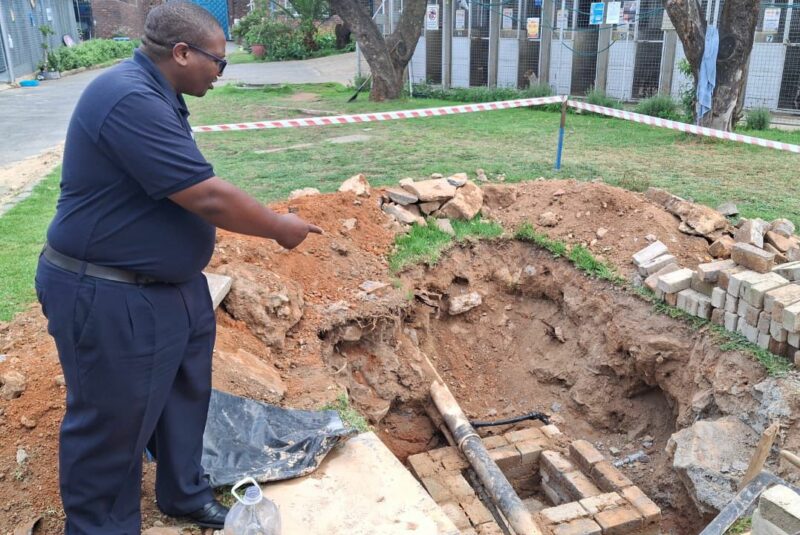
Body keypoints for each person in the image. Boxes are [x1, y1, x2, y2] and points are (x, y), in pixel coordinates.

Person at [34, 2, 321, 533]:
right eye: (219, 62)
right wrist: (280, 226)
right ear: (183, 53)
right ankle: (101, 527)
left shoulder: (158, 92)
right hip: (106, 291)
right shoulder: (127, 98)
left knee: (185, 398)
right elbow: (208, 197)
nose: (221, 72)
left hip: (171, 290)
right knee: (111, 423)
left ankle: (182, 494)